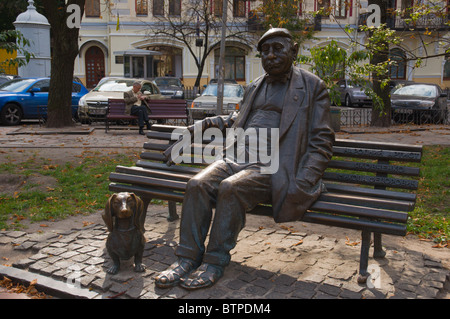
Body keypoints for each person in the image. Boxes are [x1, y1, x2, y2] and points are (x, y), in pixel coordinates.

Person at [154, 28, 335, 290]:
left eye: (277, 49)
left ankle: (214, 262)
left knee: (231, 188)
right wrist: (189, 134)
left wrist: (303, 179)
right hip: (238, 157)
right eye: (265, 51)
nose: (270, 56)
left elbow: (322, 141)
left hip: (274, 166)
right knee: (197, 184)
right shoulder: (254, 86)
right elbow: (233, 121)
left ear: (293, 51)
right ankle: (186, 258)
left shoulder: (312, 87)